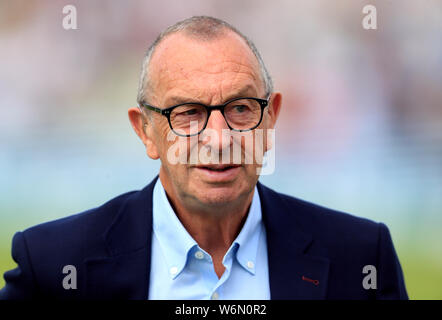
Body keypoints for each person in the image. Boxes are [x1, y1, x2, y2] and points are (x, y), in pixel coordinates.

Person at [0, 16, 407, 300]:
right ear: (145, 131)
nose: (218, 137)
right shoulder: (54, 265)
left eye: (241, 108)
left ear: (271, 118)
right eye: (188, 113)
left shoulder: (360, 258)